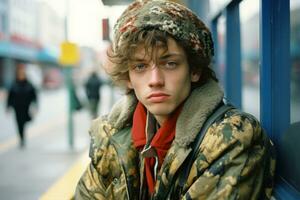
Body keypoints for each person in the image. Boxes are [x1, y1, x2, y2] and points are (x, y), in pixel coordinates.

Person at [76, 1, 275, 199]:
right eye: (140, 67)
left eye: (170, 63)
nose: (155, 81)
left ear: (194, 70)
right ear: (128, 78)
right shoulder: (110, 135)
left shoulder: (232, 137)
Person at [6, 64, 37, 148]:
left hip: (26, 107)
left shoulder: (29, 84)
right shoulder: (14, 84)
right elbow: (10, 96)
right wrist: (8, 106)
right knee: (19, 123)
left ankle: (22, 136)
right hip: (17, 107)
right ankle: (22, 139)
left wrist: (35, 104)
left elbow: (34, 95)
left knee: (25, 121)